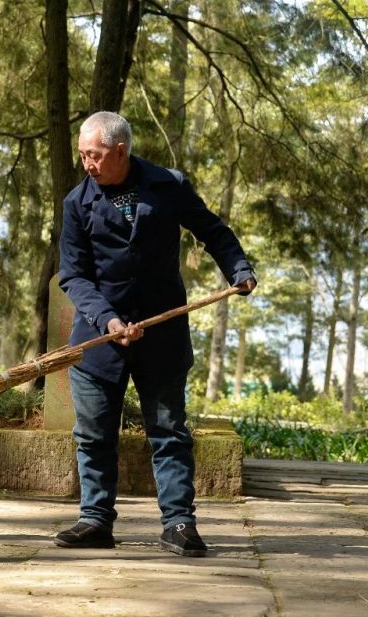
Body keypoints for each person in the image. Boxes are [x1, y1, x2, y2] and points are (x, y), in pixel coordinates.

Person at [53, 111, 256, 557]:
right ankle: (95, 520)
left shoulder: (168, 186)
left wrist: (238, 269)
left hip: (161, 332)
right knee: (93, 433)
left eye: (96, 155)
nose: (87, 163)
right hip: (98, 339)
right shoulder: (76, 203)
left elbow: (214, 232)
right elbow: (74, 276)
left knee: (168, 431)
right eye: (83, 154)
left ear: (121, 151)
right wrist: (108, 320)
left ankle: (179, 524)